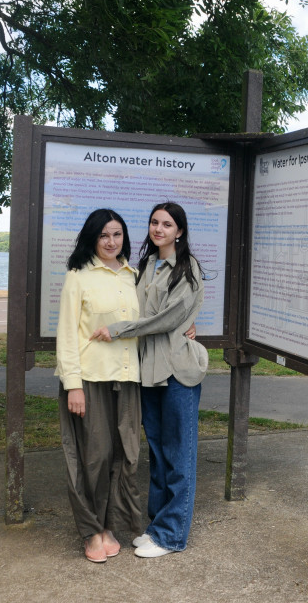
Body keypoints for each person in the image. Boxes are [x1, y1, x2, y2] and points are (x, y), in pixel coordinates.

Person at [91, 202, 208, 559]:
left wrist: (118, 330)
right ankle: (158, 526)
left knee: (180, 455)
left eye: (167, 224)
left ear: (180, 231)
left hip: (177, 373)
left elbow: (163, 321)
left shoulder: (187, 269)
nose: (159, 229)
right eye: (154, 222)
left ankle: (172, 536)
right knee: (158, 452)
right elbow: (137, 308)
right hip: (148, 373)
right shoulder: (145, 266)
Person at [54, 208, 144, 563]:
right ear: (93, 237)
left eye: (117, 234)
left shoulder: (132, 276)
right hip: (89, 379)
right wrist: (72, 384)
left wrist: (188, 325)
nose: (111, 242)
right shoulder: (78, 277)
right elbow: (66, 335)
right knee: (92, 458)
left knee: (123, 457)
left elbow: (148, 321)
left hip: (127, 378)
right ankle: (91, 531)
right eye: (104, 235)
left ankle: (109, 526)